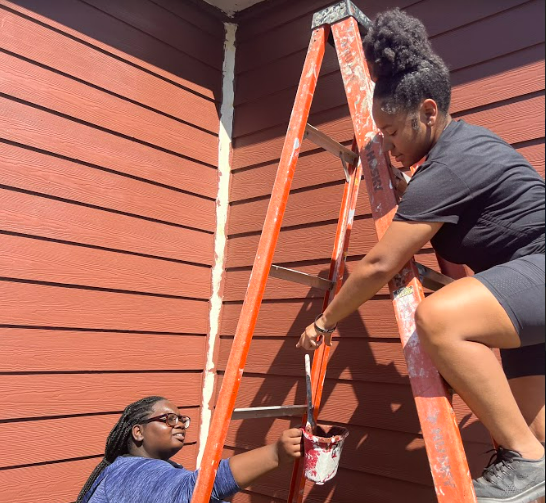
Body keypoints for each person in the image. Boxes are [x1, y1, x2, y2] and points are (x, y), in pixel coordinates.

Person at [297, 9, 545, 503]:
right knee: (537, 441)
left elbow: (378, 265)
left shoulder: (451, 165)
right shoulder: (458, 151)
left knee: (438, 320)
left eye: (391, 132)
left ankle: (528, 463)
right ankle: (531, 461)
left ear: (428, 112)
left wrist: (324, 323)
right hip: (528, 289)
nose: (387, 148)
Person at [77, 396, 303, 502]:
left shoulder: (128, 469)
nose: (179, 424)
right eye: (169, 418)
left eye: (182, 419)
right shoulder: (133, 473)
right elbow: (198, 490)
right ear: (138, 432)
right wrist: (276, 454)